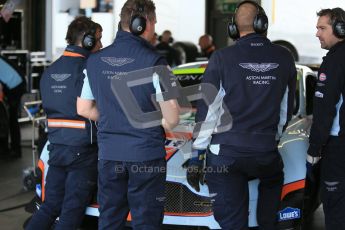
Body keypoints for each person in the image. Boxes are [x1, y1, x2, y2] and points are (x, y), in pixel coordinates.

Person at [186, 1, 296, 229]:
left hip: (226, 155)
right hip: (265, 152)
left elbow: (208, 111)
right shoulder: (284, 58)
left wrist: (197, 155)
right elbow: (286, 110)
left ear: (233, 28)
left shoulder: (221, 58)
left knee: (232, 223)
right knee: (273, 181)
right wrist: (270, 139)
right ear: (262, 23)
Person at [77, 0, 180, 229]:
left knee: (110, 221)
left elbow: (83, 108)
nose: (155, 28)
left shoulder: (93, 61)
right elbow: (172, 118)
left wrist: (115, 119)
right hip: (146, 156)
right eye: (154, 22)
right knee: (146, 223)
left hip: (109, 155)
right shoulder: (156, 62)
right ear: (141, 24)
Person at [25, 16, 103, 230]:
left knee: (50, 206)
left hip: (56, 149)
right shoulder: (89, 69)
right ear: (86, 41)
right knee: (71, 212)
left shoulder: (50, 71)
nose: (101, 45)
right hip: (84, 152)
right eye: (98, 39)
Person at [307, 8, 345, 230]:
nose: (317, 33)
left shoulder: (334, 61)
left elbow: (324, 110)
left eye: (322, 28)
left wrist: (314, 149)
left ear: (340, 29)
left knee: (336, 208)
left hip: (337, 147)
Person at [0, 54, 26, 158]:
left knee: (10, 119)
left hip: (15, 87)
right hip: (17, 82)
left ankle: (15, 150)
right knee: (7, 117)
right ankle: (6, 147)